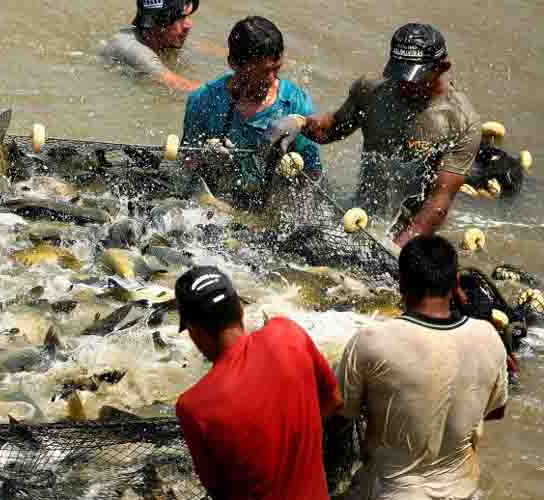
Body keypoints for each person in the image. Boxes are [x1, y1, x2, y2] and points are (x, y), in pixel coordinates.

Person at [266, 23, 481, 249]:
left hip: (411, 232)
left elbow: (437, 204)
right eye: (399, 75)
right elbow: (330, 129)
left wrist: (394, 251)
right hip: (361, 215)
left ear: (442, 67)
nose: (404, 84)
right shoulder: (372, 91)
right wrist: (299, 122)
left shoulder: (461, 123)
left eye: (413, 78)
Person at [336, 234, 508, 500]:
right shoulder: (488, 337)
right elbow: (496, 411)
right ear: (454, 286)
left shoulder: (371, 340)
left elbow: (340, 414)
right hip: (464, 491)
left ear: (401, 284)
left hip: (392, 492)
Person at [175, 266, 343, 500]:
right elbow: (334, 400)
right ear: (241, 309)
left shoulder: (193, 406)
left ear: (194, 332)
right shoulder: (288, 334)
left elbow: (219, 490)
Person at [180, 16, 322, 208]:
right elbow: (185, 166)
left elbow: (312, 174)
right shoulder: (203, 101)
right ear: (233, 63)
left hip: (270, 204)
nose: (271, 79)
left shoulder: (296, 106)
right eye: (263, 71)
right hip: (217, 205)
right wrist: (205, 160)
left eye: (276, 69)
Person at [100, 0, 201, 92]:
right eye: (181, 18)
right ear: (159, 22)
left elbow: (205, 47)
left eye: (189, 16)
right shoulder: (133, 49)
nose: (188, 25)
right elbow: (180, 86)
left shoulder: (165, 40)